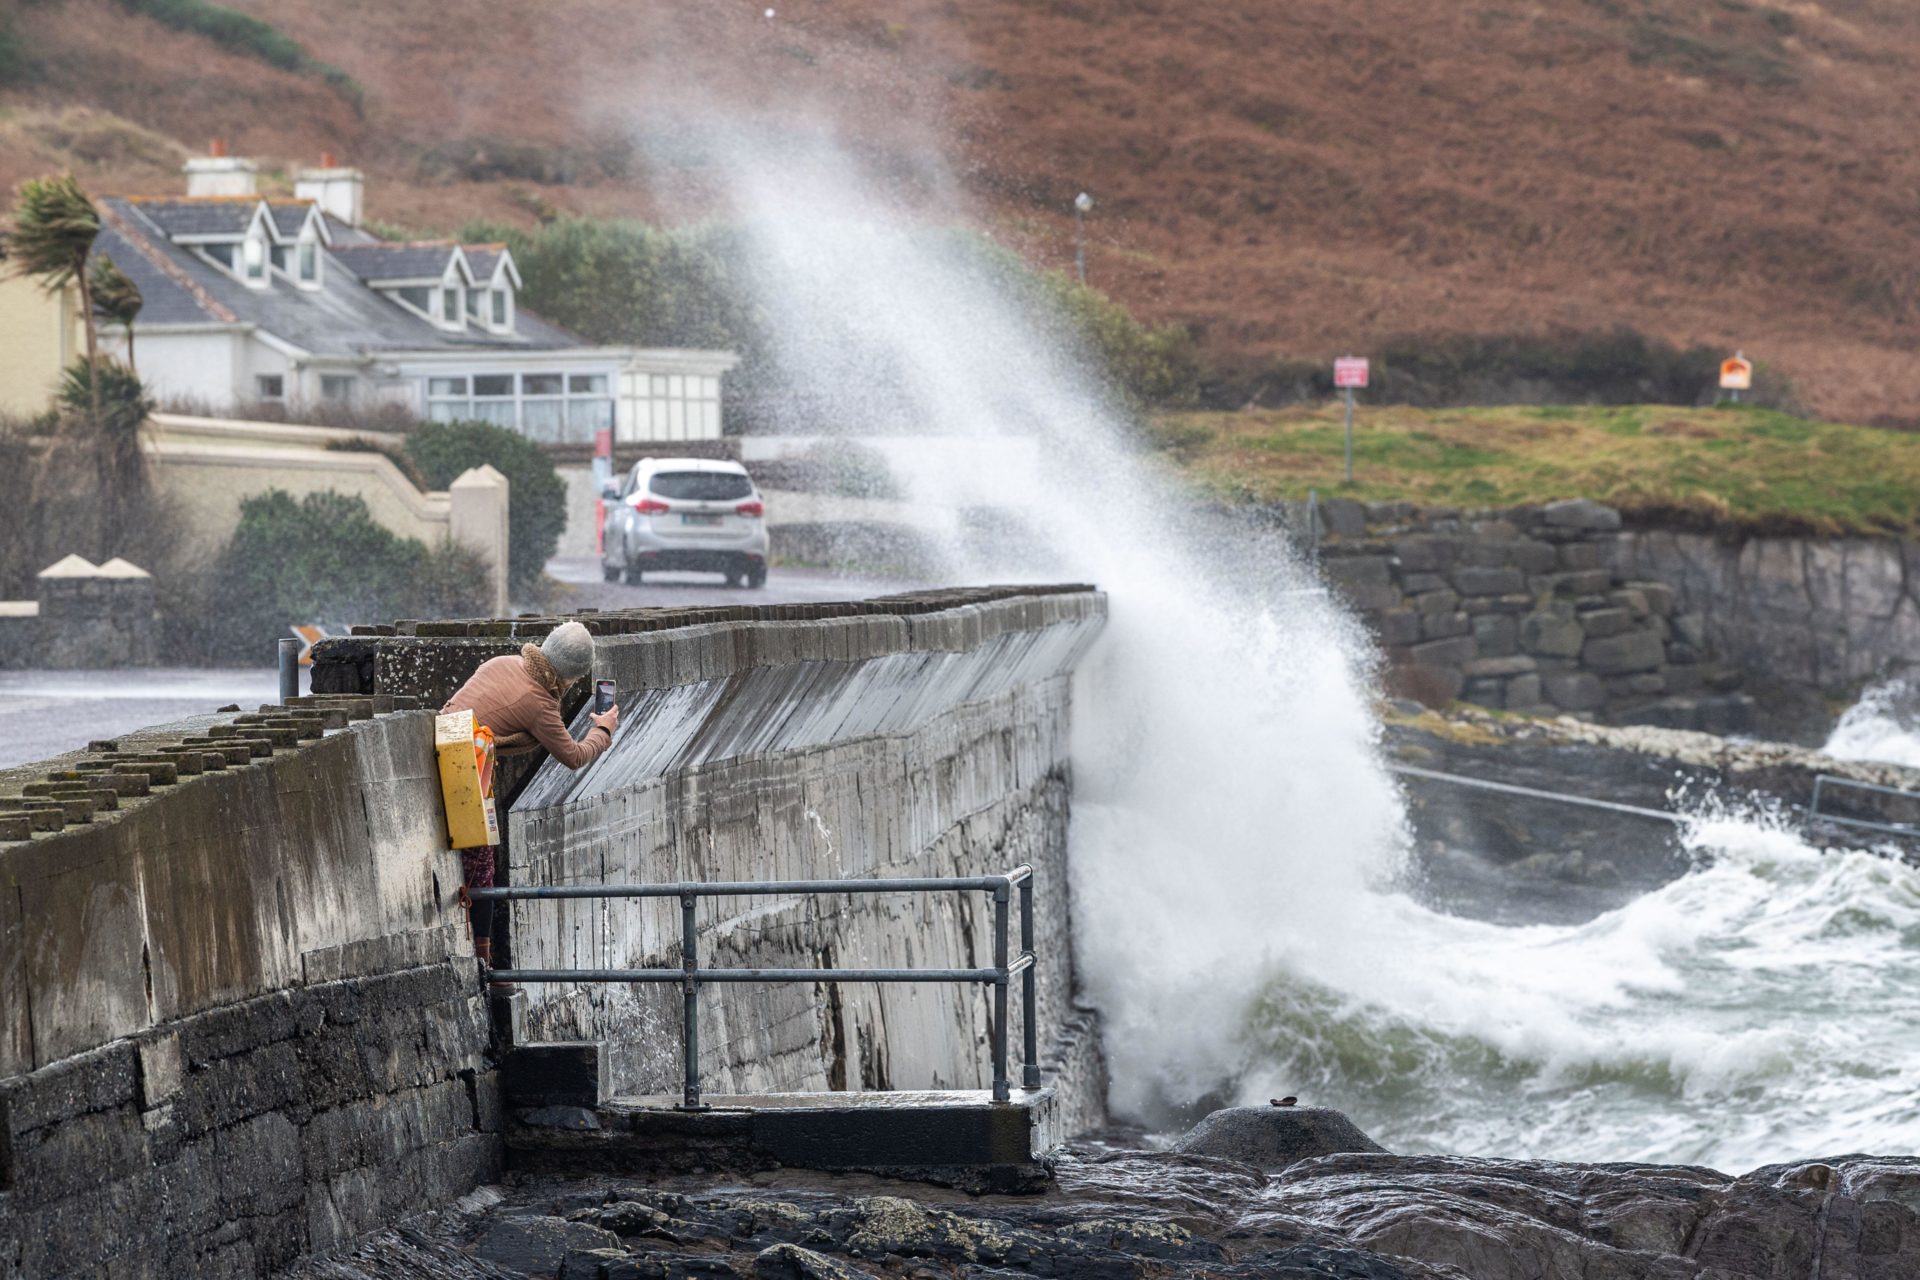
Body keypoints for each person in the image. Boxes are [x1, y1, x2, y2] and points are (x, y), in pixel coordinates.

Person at [441, 620, 619, 970]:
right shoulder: (540, 704)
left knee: (481, 862)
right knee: (482, 866)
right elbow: (574, 756)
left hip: (447, 748)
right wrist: (603, 730)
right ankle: (483, 961)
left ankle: (484, 956)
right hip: (462, 773)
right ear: (568, 677)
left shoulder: (501, 663)